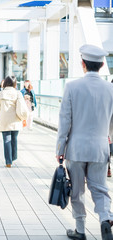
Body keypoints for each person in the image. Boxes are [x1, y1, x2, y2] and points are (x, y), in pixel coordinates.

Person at [56, 44, 113, 240]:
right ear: (102, 64)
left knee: (77, 190)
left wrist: (60, 148)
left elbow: (65, 121)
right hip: (100, 149)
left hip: (76, 149)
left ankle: (80, 231)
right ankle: (105, 219)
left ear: (83, 64)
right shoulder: (111, 89)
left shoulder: (72, 87)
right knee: (99, 189)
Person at [0, 76, 28, 168]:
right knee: (14, 139)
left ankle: (8, 161)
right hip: (15, 120)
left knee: (6, 140)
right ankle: (13, 157)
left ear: (5, 83)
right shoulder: (18, 93)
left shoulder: (0, 94)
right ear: (14, 84)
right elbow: (22, 107)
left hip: (4, 120)